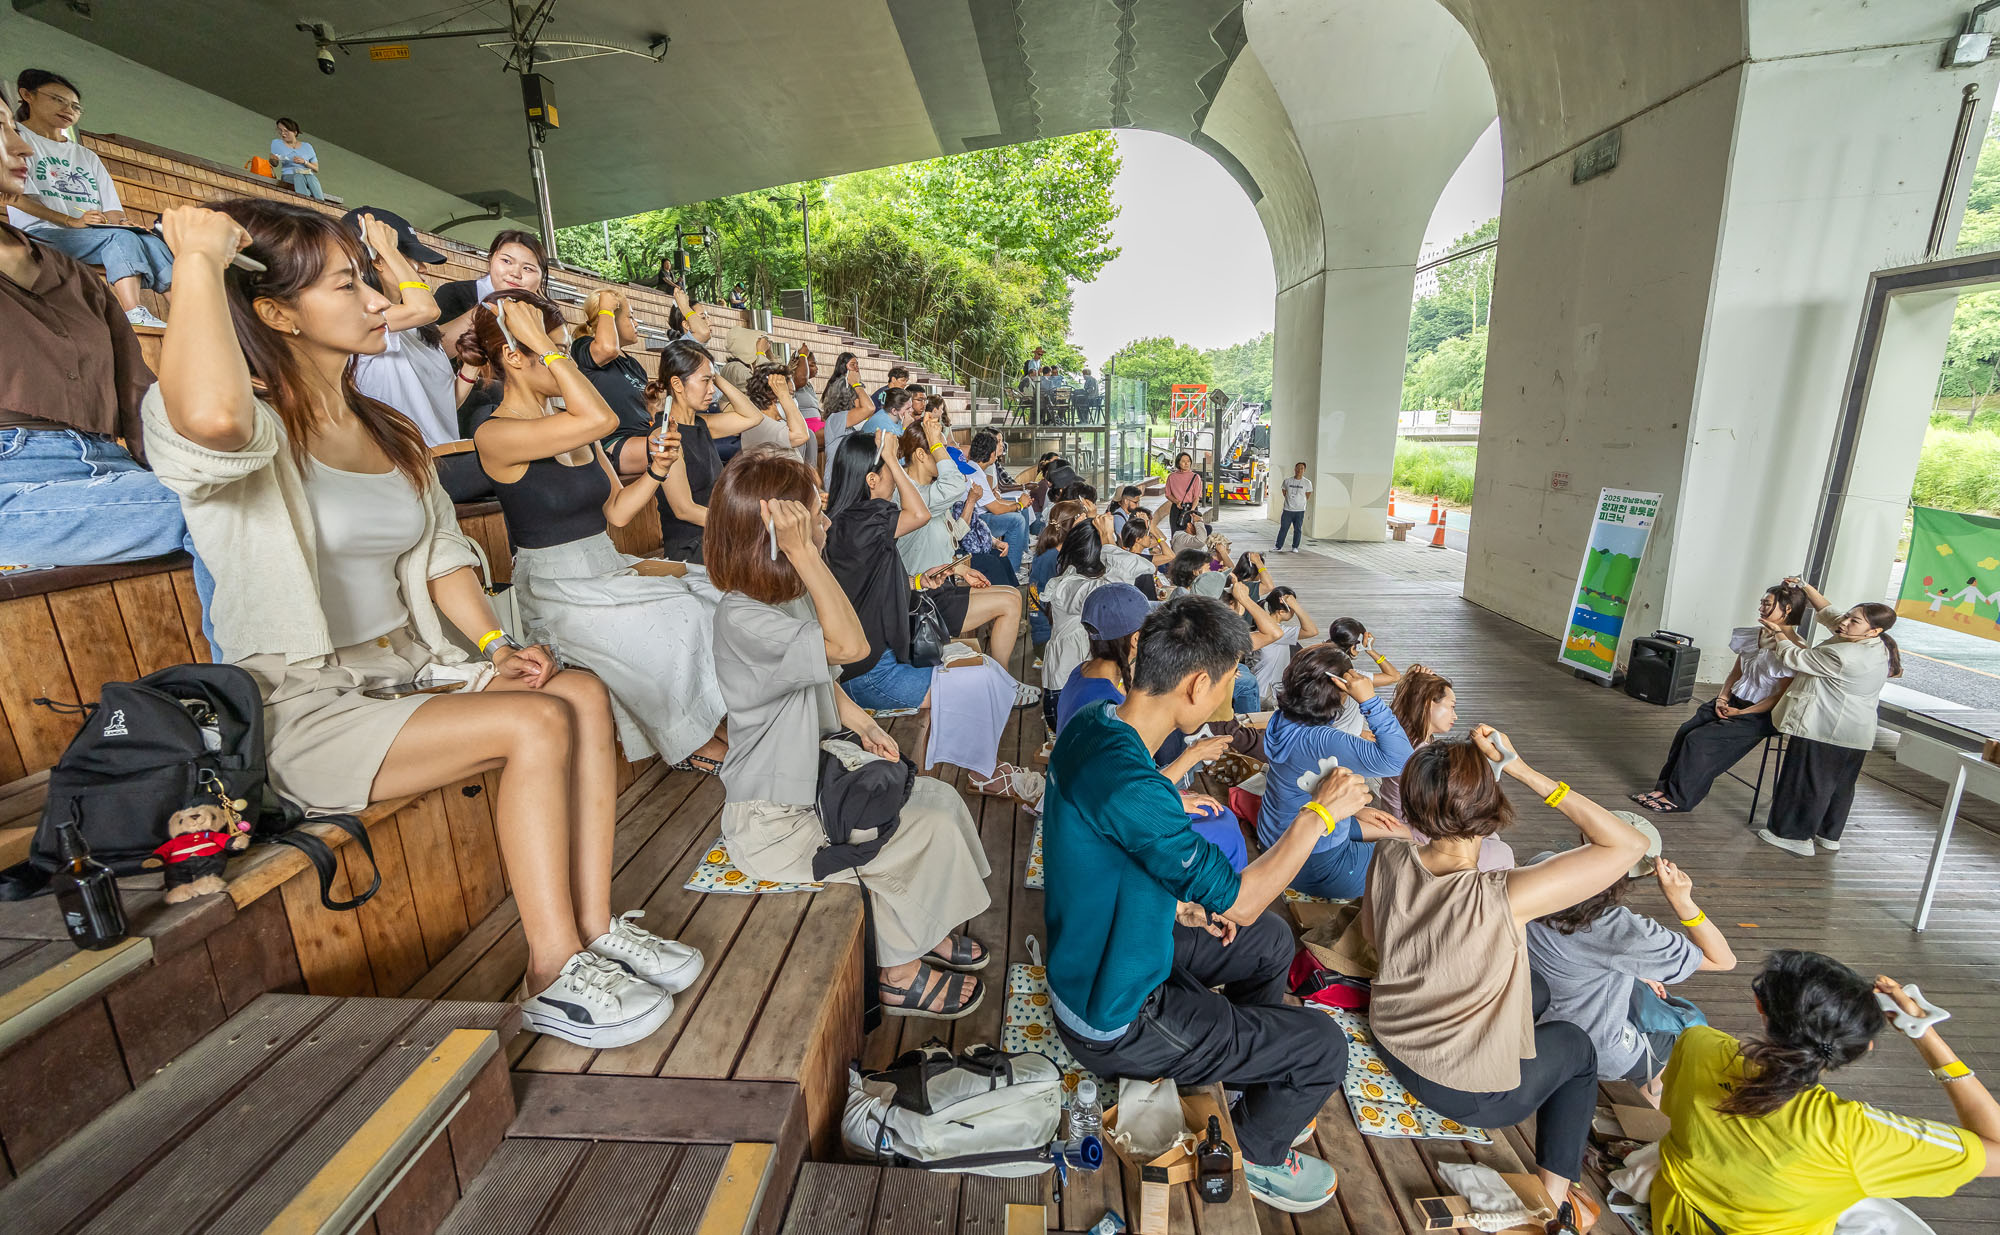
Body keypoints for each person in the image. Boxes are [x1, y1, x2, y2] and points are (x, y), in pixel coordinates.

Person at [145, 198, 700, 1048]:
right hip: (305, 705)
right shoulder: (242, 423)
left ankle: (594, 929)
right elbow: (210, 420)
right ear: (275, 312)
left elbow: (444, 556)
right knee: (536, 721)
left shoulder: (389, 428)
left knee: (579, 691)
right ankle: (551, 969)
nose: (379, 300)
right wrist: (197, 258)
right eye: (348, 284)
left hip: (412, 672)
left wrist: (495, 645)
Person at [1043, 595, 1365, 1214]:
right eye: (1226, 682)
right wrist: (1319, 814)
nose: (1228, 694)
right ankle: (1259, 1149)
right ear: (1196, 685)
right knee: (1324, 1045)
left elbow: (1120, 813)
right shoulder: (1137, 788)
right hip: (1115, 1015)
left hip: (1114, 945)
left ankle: (1250, 1075)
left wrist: (1173, 806)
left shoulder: (1097, 723)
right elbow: (1241, 901)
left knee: (1271, 943)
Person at [705, 449, 994, 1019]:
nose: (827, 522)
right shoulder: (742, 617)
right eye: (815, 514)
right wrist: (804, 554)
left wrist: (863, 724)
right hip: (774, 820)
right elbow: (850, 649)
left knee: (936, 797)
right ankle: (897, 972)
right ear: (777, 534)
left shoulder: (778, 599)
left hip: (811, 779)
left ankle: (923, 924)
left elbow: (823, 674)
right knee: (917, 829)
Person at [1362, 727, 1652, 1231]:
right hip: (1460, 1090)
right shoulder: (1504, 893)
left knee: (1538, 991)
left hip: (1391, 1036)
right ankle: (1552, 1203)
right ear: (1489, 802)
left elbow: (1373, 937)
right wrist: (1521, 769)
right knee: (1578, 1048)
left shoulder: (1389, 854)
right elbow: (1630, 845)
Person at [463, 289, 729, 774]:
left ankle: (723, 727)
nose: (565, 362)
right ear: (513, 355)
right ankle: (694, 738)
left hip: (607, 566)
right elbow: (603, 418)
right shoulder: (495, 434)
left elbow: (618, 513)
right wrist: (537, 341)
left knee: (715, 593)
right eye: (555, 351)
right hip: (557, 589)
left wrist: (655, 471)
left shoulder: (572, 428)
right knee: (683, 614)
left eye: (563, 350)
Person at [1652, 952, 1999, 1235]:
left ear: (1761, 1006)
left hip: (1674, 1217)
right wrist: (1923, 1032)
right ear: (1863, 1048)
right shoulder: (1855, 1133)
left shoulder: (1699, 1045)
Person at [0, 98, 188, 569]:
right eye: (0, 130)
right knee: (221, 508)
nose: (22, 146)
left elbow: (137, 390)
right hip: (11, 483)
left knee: (257, 487)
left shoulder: (69, 271)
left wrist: (187, 465)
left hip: (114, 465)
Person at [822, 432, 1040, 800]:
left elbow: (870, 586)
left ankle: (934, 786)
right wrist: (892, 457)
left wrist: (923, 578)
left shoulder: (851, 522)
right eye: (890, 469)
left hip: (877, 658)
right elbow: (920, 514)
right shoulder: (864, 520)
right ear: (872, 479)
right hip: (872, 671)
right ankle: (966, 780)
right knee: (967, 685)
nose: (897, 474)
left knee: (953, 693)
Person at [1052, 584, 1245, 868]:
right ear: (1137, 640)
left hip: (1096, 806)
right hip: (1103, 838)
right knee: (1223, 825)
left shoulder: (1084, 675)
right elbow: (1121, 793)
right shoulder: (1105, 704)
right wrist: (1190, 761)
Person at [1527, 840, 1735, 1093]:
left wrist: (1635, 971)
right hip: (1591, 1044)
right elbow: (1722, 960)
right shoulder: (1622, 931)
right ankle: (1648, 1115)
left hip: (1528, 1017)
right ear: (1646, 871)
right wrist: (1681, 901)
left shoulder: (1539, 869)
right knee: (1678, 1044)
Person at [9, 69, 174, 327]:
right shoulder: (17, 139)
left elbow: (111, 209)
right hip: (40, 233)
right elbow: (14, 197)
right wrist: (70, 221)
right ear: (27, 95)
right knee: (118, 237)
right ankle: (133, 311)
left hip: (90, 234)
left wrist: (121, 222)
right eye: (58, 99)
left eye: (75, 106)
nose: (68, 110)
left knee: (149, 240)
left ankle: (189, 317)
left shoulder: (86, 156)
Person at [1256, 643, 1417, 899]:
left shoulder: (1283, 718)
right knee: (1411, 865)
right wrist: (1369, 700)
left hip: (1278, 835)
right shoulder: (1321, 739)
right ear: (1339, 691)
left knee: (1402, 832)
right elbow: (1403, 761)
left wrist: (1358, 811)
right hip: (1315, 863)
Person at [1755, 580, 1901, 858]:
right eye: (1849, 616)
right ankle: (1827, 834)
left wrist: (1779, 634)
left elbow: (1795, 658)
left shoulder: (1844, 655)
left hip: (1825, 727)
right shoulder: (1875, 643)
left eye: (1853, 620)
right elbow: (1830, 614)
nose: (1845, 622)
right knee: (1838, 786)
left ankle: (1793, 836)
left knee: (1807, 781)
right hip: (1855, 732)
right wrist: (1806, 588)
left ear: (1874, 630)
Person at [1633, 581, 1806, 814]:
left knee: (1699, 741)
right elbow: (1736, 672)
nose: (1761, 608)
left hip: (1760, 713)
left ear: (1786, 610)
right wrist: (1723, 698)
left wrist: (1741, 713)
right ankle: (1663, 789)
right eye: (1762, 603)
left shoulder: (1795, 649)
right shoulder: (1753, 636)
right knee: (1686, 731)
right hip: (1732, 700)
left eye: (1767, 604)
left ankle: (1679, 798)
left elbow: (1778, 697)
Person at [650, 338, 778, 563]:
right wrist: (742, 523)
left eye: (712, 382)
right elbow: (684, 509)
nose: (712, 391)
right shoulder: (664, 435)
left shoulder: (702, 424)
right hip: (693, 546)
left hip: (719, 534)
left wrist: (715, 374)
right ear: (678, 384)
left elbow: (753, 416)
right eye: (705, 382)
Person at [343, 210, 455, 445]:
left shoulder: (415, 328)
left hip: (446, 453)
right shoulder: (359, 319)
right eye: (412, 258)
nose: (423, 268)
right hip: (407, 462)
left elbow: (441, 406)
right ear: (377, 259)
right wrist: (388, 249)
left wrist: (471, 370)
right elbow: (427, 310)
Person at [570, 288, 658, 478]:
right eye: (630, 317)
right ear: (609, 319)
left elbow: (649, 411)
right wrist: (606, 309)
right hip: (613, 443)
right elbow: (608, 349)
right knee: (675, 449)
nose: (636, 324)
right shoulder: (584, 346)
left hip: (643, 438)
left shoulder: (633, 364)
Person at [433, 229, 546, 350]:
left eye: (528, 269)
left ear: (541, 277)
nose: (515, 273)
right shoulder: (453, 294)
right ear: (490, 259)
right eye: (506, 261)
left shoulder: (548, 315)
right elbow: (435, 351)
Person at [966, 430, 1030, 572]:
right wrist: (1018, 505)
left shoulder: (974, 468)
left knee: (1019, 511)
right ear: (991, 454)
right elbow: (996, 508)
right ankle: (1013, 571)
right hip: (975, 521)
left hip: (979, 514)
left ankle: (1021, 551)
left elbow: (994, 501)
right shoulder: (976, 474)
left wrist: (1018, 505)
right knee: (1017, 520)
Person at [1249, 587, 1319, 705]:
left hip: (1260, 688)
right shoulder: (1278, 632)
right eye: (1291, 609)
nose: (1294, 611)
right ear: (1281, 612)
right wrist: (1297, 607)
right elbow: (1311, 631)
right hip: (1267, 693)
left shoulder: (1264, 627)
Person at [740, 360, 812, 459]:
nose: (793, 400)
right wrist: (784, 394)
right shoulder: (759, 424)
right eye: (790, 394)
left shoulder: (780, 423)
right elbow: (801, 436)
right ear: (772, 395)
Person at [1326, 617, 1402, 689]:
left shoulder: (1316, 661)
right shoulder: (1351, 677)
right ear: (1353, 648)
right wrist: (1370, 650)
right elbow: (1394, 676)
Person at [269, 118, 324, 201]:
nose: (283, 134)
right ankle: (305, 204)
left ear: (295, 132)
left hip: (307, 176)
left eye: (286, 131)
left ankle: (321, 204)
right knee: (299, 177)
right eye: (280, 131)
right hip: (290, 176)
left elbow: (316, 169)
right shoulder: (276, 143)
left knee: (312, 178)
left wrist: (304, 162)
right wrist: (272, 159)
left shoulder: (307, 146)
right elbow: (275, 164)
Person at [789, 346, 823, 473]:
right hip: (805, 423)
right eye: (812, 364)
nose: (816, 368)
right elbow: (801, 378)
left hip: (816, 423)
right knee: (834, 431)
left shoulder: (808, 385)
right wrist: (803, 355)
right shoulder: (794, 380)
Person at [718, 325, 768, 392]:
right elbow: (762, 386)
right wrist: (761, 353)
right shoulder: (735, 368)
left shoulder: (740, 367)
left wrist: (769, 354)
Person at [1276, 462, 1312, 552]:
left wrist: (1299, 501)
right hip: (1288, 509)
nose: (1299, 470)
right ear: (1294, 469)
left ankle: (1295, 547)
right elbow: (1284, 492)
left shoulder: (1307, 482)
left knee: (1298, 529)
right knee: (1283, 528)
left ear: (1304, 470)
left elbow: (1307, 495)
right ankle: (1278, 546)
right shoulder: (1287, 481)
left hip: (1299, 510)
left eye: (1302, 468)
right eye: (1298, 468)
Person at [1164, 452, 1203, 533]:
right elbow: (1168, 494)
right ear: (1178, 463)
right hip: (1176, 509)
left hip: (1191, 509)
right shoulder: (1172, 477)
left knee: (1190, 535)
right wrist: (1176, 502)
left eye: (1188, 461)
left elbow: (1196, 497)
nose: (1186, 463)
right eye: (1183, 461)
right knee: (1176, 535)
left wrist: (1192, 511)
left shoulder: (1196, 477)